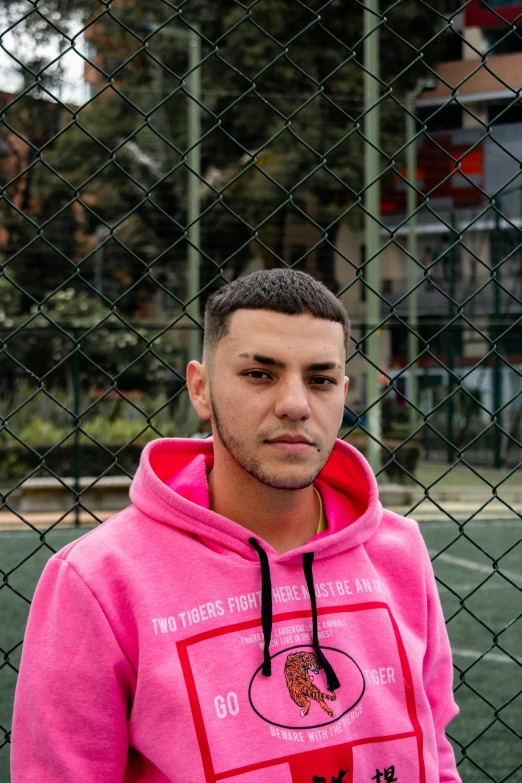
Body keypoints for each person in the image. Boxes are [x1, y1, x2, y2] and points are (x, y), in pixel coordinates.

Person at [11, 269, 461, 782]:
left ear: (342, 392)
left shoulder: (399, 551)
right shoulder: (97, 579)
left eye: (319, 380)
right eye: (259, 374)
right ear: (201, 390)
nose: (295, 404)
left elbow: (433, 753)